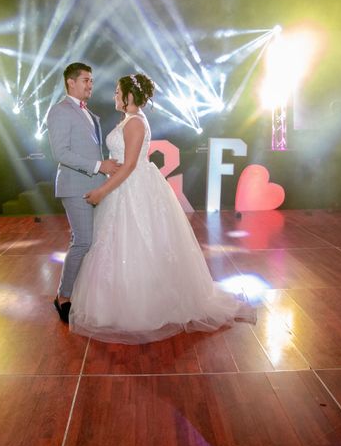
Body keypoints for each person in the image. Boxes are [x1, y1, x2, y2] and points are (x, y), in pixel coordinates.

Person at [69, 74, 255, 344]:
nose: (114, 96)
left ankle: (142, 306)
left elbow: (131, 165)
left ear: (130, 95)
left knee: (136, 243)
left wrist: (102, 191)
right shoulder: (129, 120)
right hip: (124, 186)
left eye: (118, 92)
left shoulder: (134, 123)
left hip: (132, 188)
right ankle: (119, 302)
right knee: (118, 245)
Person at [47, 62, 120, 323]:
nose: (91, 85)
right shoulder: (60, 111)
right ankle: (63, 297)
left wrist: (104, 170)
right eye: (86, 80)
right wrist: (100, 166)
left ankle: (84, 293)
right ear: (71, 82)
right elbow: (61, 153)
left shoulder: (86, 112)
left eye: (91, 80)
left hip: (94, 186)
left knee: (93, 241)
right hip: (74, 186)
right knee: (83, 241)